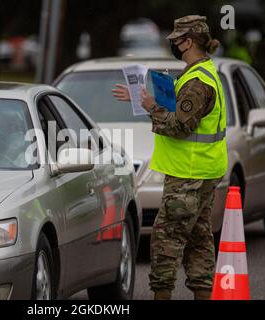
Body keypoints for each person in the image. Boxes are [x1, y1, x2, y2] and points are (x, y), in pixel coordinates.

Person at [112, 15, 228, 300]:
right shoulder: (202, 72)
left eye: (176, 41)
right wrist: (146, 99)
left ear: (188, 42)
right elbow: (183, 113)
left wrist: (152, 107)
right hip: (203, 171)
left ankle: (161, 295)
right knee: (199, 239)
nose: (174, 45)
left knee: (166, 242)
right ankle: (203, 293)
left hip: (189, 174)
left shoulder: (198, 82)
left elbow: (179, 126)